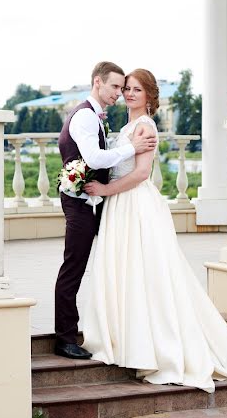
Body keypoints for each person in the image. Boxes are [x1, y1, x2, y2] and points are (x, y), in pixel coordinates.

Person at [81, 68, 227, 392]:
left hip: (134, 204)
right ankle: (128, 340)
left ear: (149, 95)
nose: (129, 94)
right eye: (127, 89)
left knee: (146, 275)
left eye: (136, 90)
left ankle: (154, 347)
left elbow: (142, 173)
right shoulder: (128, 126)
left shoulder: (144, 126)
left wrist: (105, 191)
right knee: (129, 273)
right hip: (122, 205)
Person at [53, 61, 157, 360]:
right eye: (117, 87)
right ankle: (65, 337)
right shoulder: (85, 117)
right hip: (82, 202)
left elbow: (135, 171)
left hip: (104, 202)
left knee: (119, 266)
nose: (121, 93)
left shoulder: (104, 118)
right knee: (74, 268)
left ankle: (119, 328)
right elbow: (95, 158)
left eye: (127, 88)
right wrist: (130, 149)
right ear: (98, 83)